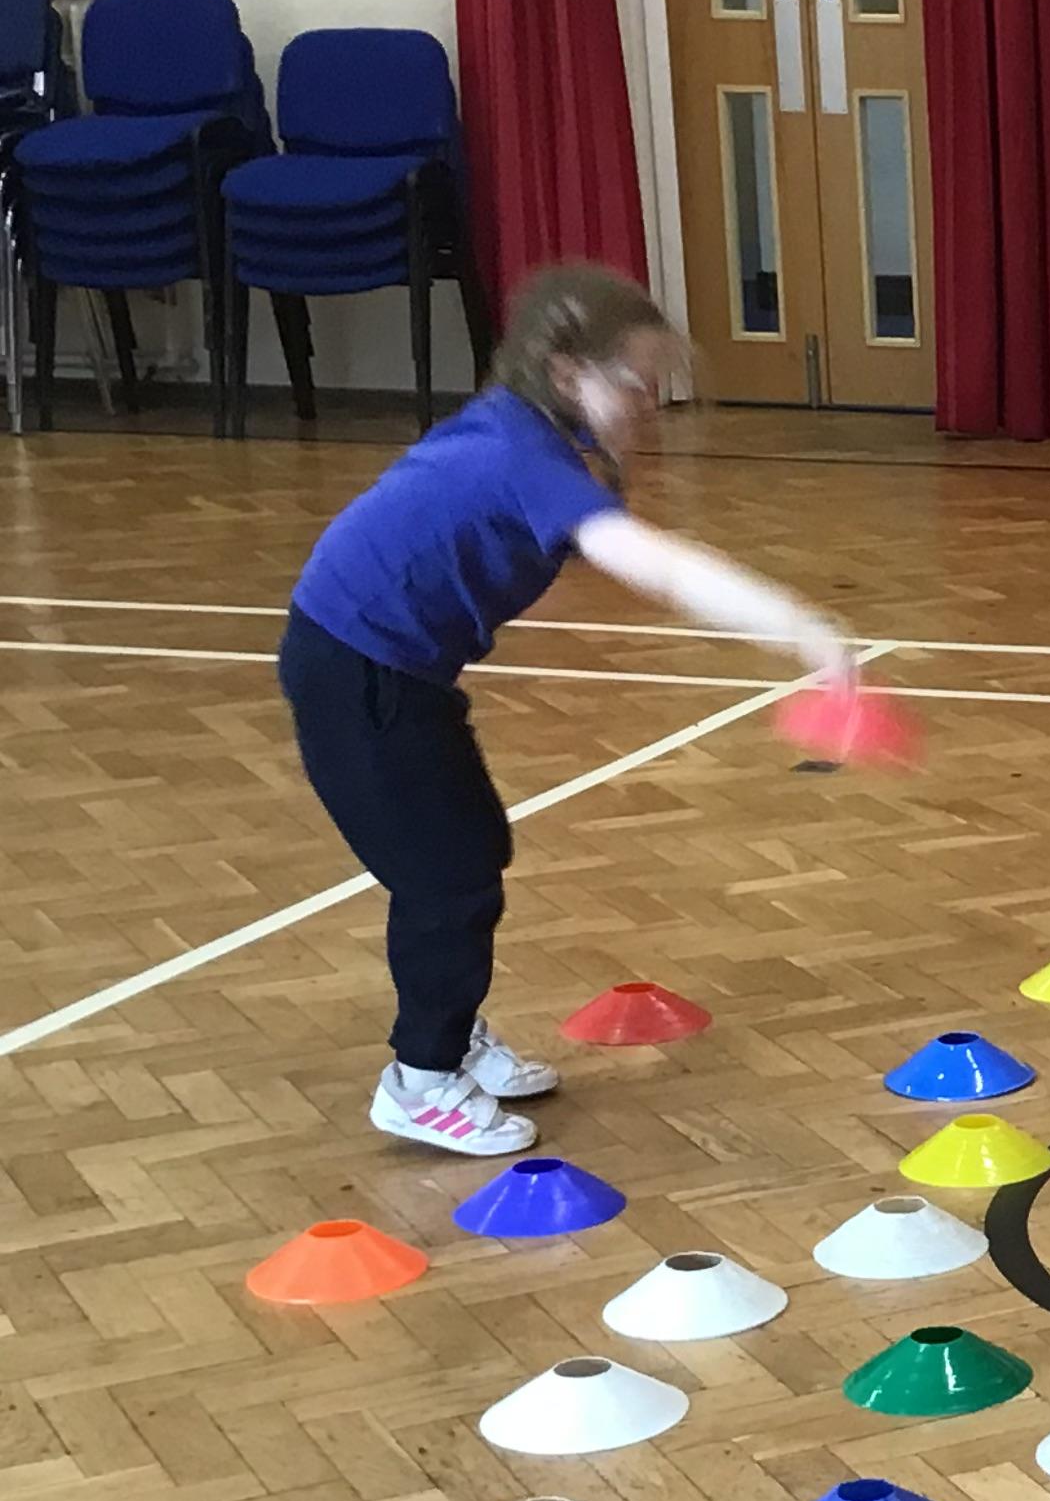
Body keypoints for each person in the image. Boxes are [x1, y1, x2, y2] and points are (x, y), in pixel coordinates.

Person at [281, 265, 853, 1155]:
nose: (650, 404)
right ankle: (421, 1079)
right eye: (636, 383)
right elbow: (659, 566)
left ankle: (450, 1031)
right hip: (356, 671)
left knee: (474, 851)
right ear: (564, 371)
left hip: (394, 670)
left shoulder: (523, 431)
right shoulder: (523, 457)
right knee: (446, 880)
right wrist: (800, 627)